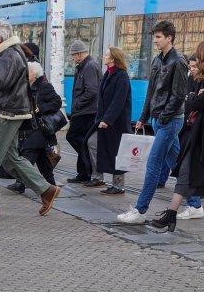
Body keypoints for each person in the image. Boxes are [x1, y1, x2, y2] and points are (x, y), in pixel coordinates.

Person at [0, 20, 59, 221]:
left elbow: (0, 83)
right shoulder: (11, 54)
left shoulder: (8, 55)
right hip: (10, 112)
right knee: (10, 159)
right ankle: (46, 190)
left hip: (5, 114)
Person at [149, 41, 204, 233]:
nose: (196, 58)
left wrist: (193, 97)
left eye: (199, 55)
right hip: (198, 130)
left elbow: (197, 102)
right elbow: (193, 100)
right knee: (185, 171)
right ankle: (171, 214)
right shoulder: (202, 77)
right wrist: (193, 97)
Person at [118, 21, 187, 223]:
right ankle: (195, 204)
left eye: (158, 37)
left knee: (153, 164)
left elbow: (179, 94)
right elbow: (151, 91)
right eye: (154, 36)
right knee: (176, 162)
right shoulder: (158, 60)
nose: (155, 40)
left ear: (169, 38)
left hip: (170, 120)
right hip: (160, 119)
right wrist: (143, 117)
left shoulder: (178, 61)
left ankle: (140, 210)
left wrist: (164, 116)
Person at [7, 62, 62, 193]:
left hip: (38, 130)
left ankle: (20, 184)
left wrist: (41, 108)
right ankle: (51, 185)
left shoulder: (44, 86)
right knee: (43, 163)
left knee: (26, 158)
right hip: (31, 129)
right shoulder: (26, 86)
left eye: (28, 71)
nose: (25, 73)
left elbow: (57, 102)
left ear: (34, 74)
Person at [86, 47, 133, 196]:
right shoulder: (108, 73)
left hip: (116, 123)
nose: (103, 56)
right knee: (92, 143)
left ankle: (118, 186)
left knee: (117, 153)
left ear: (113, 58)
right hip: (104, 121)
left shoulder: (122, 76)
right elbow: (103, 99)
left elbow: (118, 101)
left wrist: (107, 120)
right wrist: (100, 118)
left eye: (106, 54)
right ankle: (98, 176)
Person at [65, 41, 102, 184]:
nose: (73, 58)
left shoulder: (89, 66)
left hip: (86, 111)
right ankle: (83, 174)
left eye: (73, 55)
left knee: (73, 136)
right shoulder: (84, 66)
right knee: (81, 138)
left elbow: (92, 91)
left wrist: (77, 104)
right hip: (85, 110)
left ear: (79, 54)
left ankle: (88, 166)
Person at [176, 54, 204, 220]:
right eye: (190, 66)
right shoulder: (191, 78)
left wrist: (192, 98)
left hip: (191, 126)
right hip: (185, 124)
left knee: (183, 165)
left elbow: (193, 101)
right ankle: (194, 202)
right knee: (181, 163)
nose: (191, 69)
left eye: (194, 66)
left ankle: (194, 203)